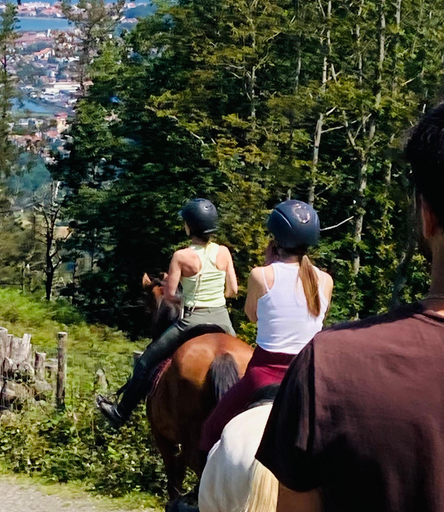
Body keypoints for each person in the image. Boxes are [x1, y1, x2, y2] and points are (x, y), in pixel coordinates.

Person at [255, 104, 444, 512]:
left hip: (271, 365)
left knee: (215, 422)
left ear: (427, 216)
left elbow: (253, 315)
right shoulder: (322, 279)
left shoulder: (326, 360)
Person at [198, 200, 333, 455]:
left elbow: (252, 316)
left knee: (210, 431)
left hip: (262, 373)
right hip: (307, 375)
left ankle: (199, 492)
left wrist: (268, 264)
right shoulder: (325, 280)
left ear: (275, 239)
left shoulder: (260, 275)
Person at [97, 198, 238, 428]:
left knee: (146, 360)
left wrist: (187, 295)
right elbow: (232, 290)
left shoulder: (181, 256)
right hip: (222, 318)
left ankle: (120, 412)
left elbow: (170, 294)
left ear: (189, 227)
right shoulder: (224, 252)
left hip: (193, 319)